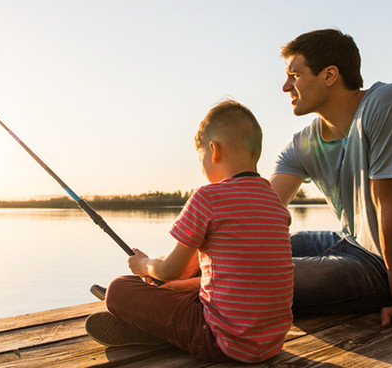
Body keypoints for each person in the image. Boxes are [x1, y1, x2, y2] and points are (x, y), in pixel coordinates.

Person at [271, 28, 392, 334]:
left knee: (254, 276)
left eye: (295, 74)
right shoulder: (305, 142)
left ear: (330, 75)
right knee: (241, 254)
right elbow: (259, 211)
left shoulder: (390, 104)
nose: (285, 86)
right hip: (347, 244)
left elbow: (391, 211)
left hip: (388, 269)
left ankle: (178, 293)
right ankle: (174, 280)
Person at [84, 100, 294, 363]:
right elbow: (241, 274)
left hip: (221, 341)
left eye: (201, 158)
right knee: (193, 271)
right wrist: (172, 283)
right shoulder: (273, 201)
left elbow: (169, 270)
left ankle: (153, 328)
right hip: (271, 341)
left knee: (118, 289)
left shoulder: (208, 197)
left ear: (214, 150)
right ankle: (159, 322)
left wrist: (143, 265)